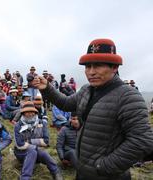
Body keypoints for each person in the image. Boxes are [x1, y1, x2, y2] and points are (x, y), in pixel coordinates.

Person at [33, 38, 153, 179]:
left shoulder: (128, 96)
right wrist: (47, 88)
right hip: (83, 170)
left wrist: (103, 167)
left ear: (114, 67)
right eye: (87, 66)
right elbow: (65, 103)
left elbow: (142, 141)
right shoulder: (86, 90)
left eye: (97, 66)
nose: (91, 72)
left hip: (107, 175)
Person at [14, 102, 63, 180]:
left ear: (35, 112)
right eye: (27, 112)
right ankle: (25, 178)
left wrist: (28, 141)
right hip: (21, 153)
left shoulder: (42, 123)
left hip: (35, 150)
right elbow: (20, 144)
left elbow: (46, 141)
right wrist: (38, 142)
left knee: (41, 153)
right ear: (23, 113)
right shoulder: (18, 125)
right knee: (33, 151)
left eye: (31, 111)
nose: (30, 114)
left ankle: (56, 172)